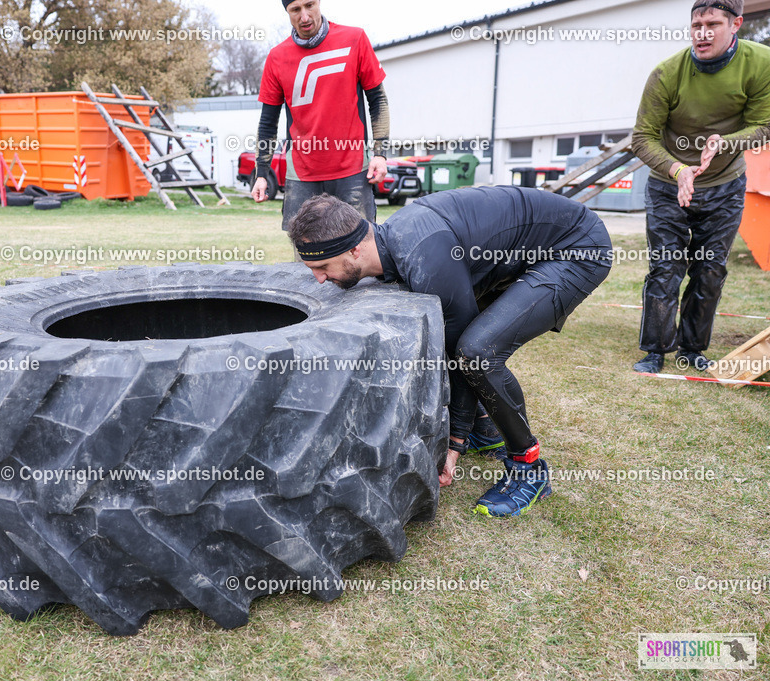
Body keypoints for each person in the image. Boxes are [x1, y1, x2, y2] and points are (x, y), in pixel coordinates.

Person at [287, 187, 612, 517]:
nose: (318, 279)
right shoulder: (393, 245)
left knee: (477, 352)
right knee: (470, 344)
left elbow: (458, 353)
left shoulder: (423, 256)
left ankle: (528, 468)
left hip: (575, 248)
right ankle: (486, 432)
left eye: (323, 266)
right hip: (515, 254)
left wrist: (453, 442)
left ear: (355, 249)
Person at [630, 0, 770, 373]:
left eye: (712, 24)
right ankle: (655, 351)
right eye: (696, 24)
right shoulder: (667, 73)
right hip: (667, 184)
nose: (702, 32)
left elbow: (764, 124)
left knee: (710, 269)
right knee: (665, 268)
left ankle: (692, 349)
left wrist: (724, 143)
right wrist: (678, 170)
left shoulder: (761, 63)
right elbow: (642, 138)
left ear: (736, 24)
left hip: (725, 183)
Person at [251, 0, 389, 231]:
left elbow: (378, 100)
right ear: (287, 12)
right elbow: (268, 122)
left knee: (361, 254)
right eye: (295, 10)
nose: (305, 16)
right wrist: (261, 174)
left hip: (353, 171)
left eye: (310, 5)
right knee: (307, 258)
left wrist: (380, 153)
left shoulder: (354, 39)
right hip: (302, 175)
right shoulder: (277, 57)